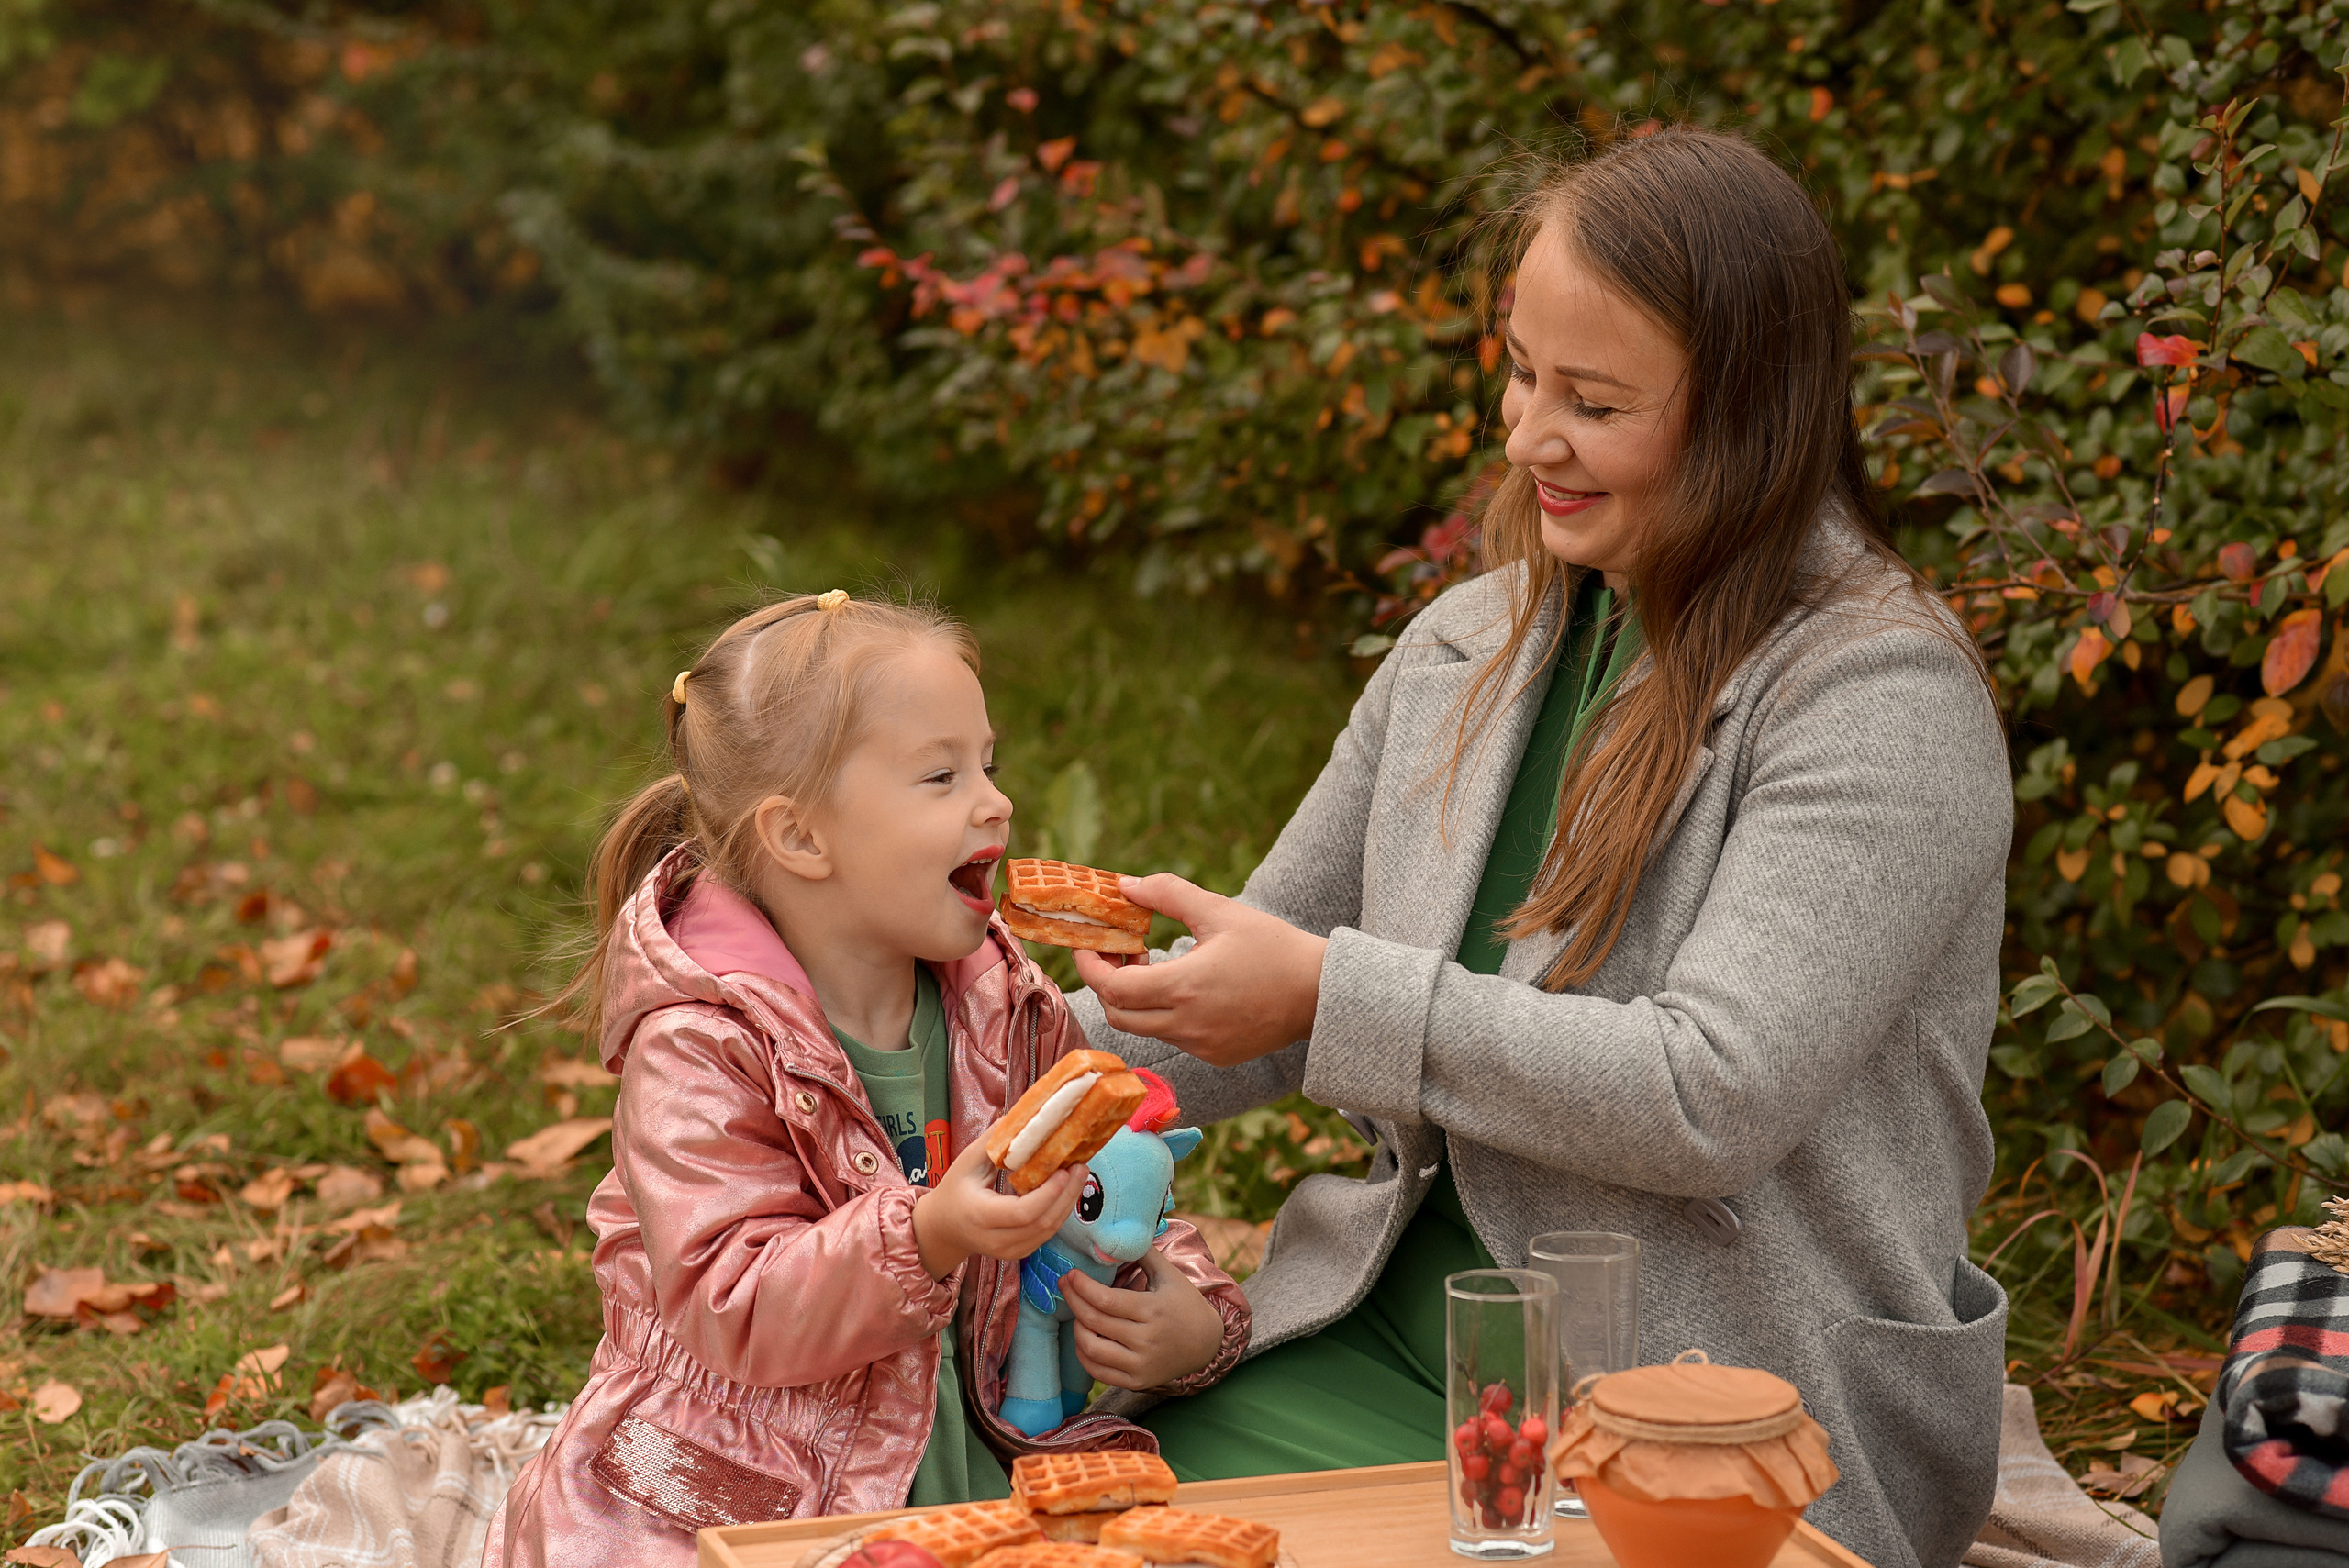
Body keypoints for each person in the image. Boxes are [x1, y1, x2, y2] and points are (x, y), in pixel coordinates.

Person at [1070, 127, 2013, 1568]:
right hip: (1391, 1340)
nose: (1526, 437)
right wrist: (895, 1069)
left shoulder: (1881, 697)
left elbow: (1710, 1097)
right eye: (1520, 373)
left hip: (1710, 1412)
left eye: (1593, 400)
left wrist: (1330, 996)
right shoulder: (1468, 644)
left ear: (1748, 414)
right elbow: (1234, 1009)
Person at [488, 592, 1247, 1568]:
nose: (995, 801)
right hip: (741, 1491)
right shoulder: (700, 1043)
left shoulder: (1003, 1000)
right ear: (801, 837)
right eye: (941, 774)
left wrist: (1185, 1304)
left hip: (982, 1462)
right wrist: (928, 1232)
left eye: (988, 762)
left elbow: (1114, 1181)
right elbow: (733, 1303)